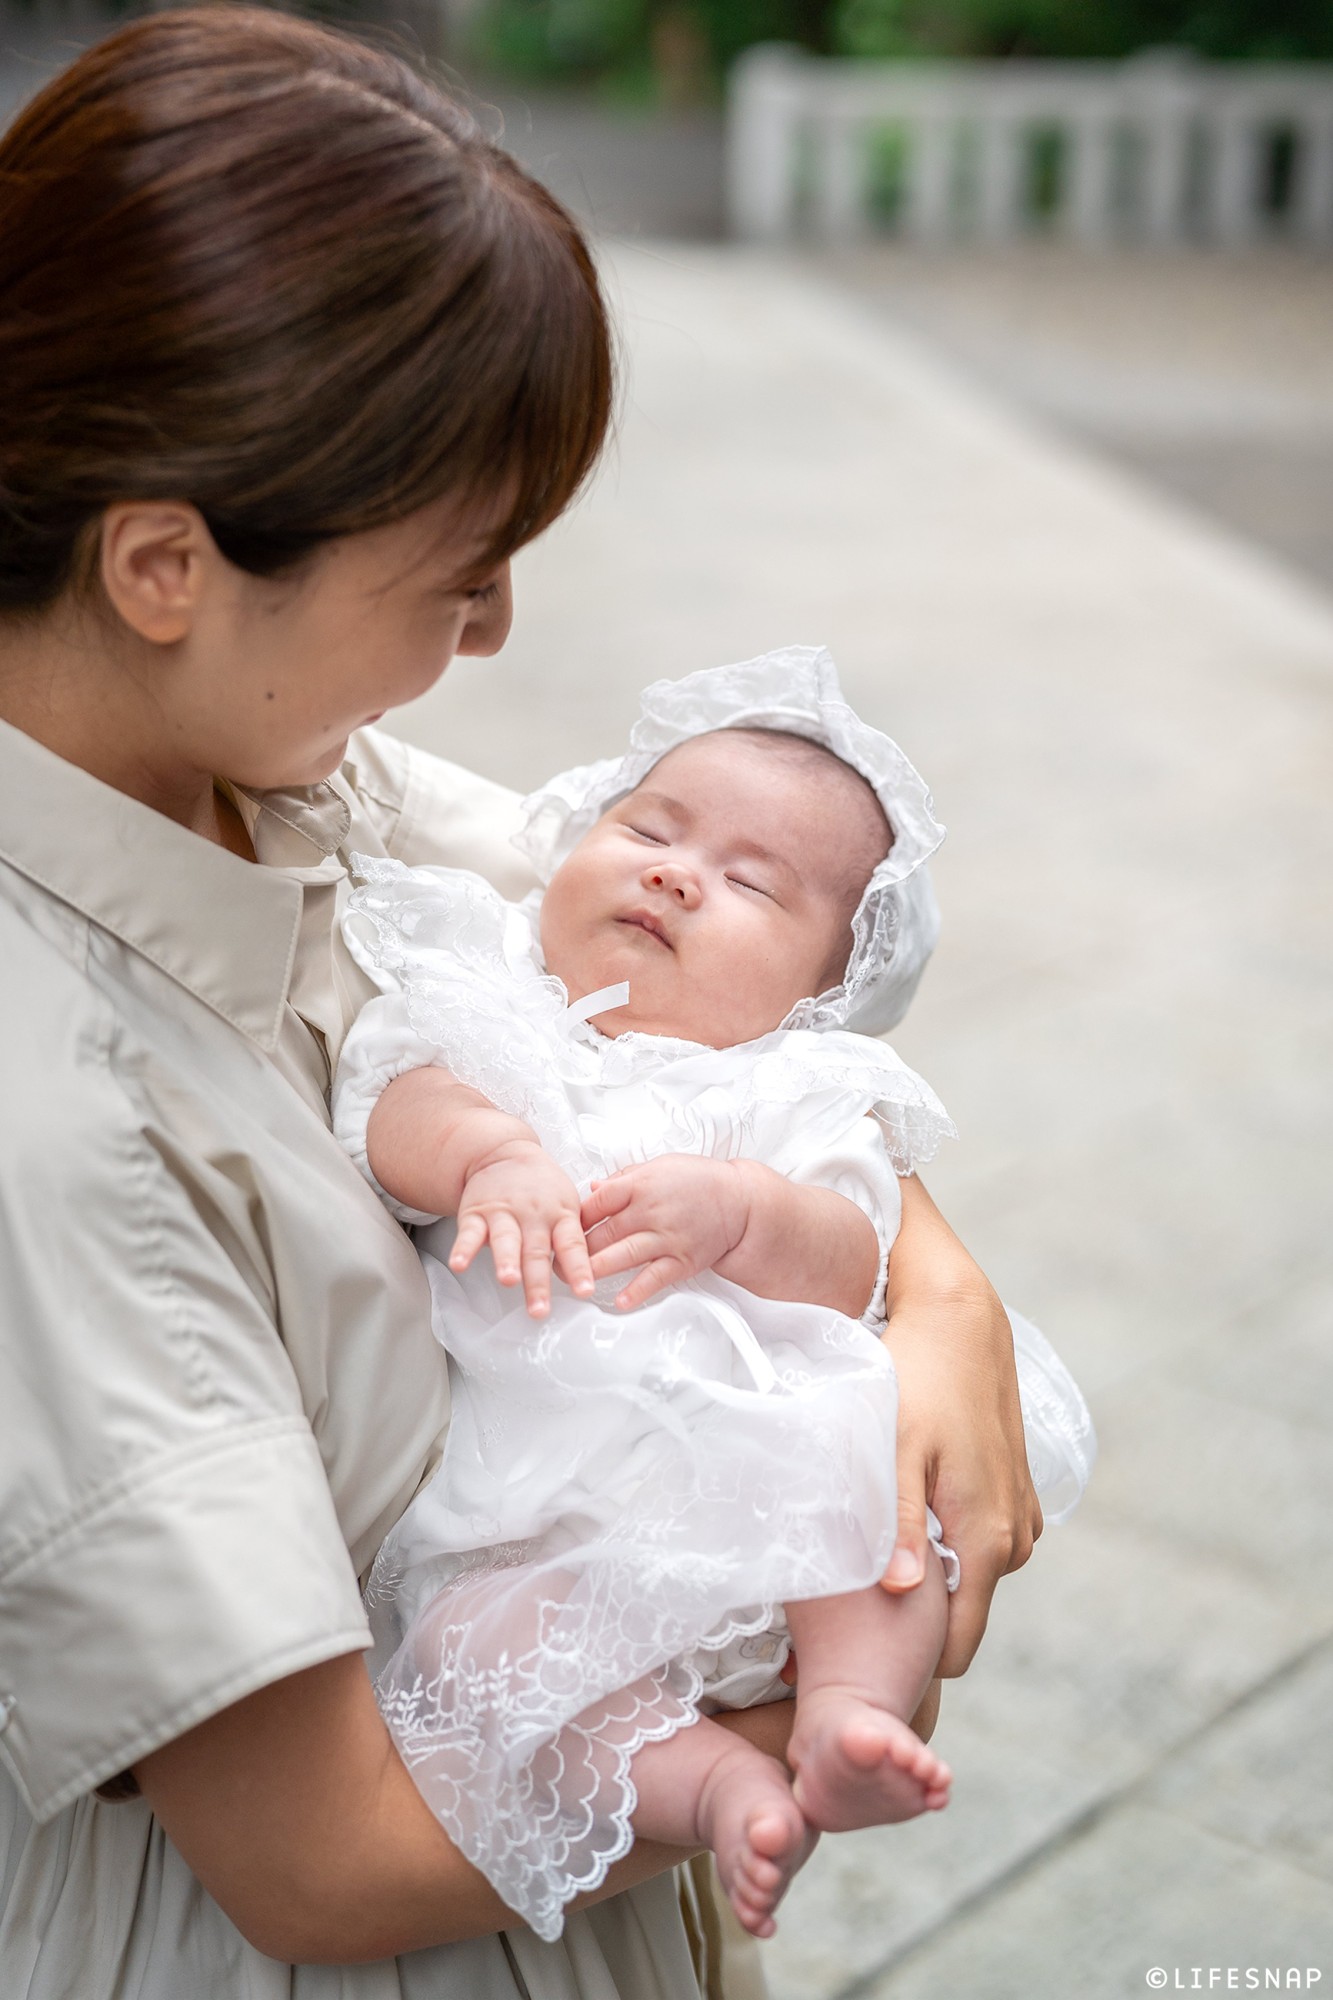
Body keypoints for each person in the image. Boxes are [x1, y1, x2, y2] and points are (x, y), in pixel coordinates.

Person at [0, 11, 1042, 1996]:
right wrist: (761, 1758)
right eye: (458, 571)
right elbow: (320, 1864)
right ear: (161, 561)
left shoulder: (292, 768)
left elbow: (714, 1042)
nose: (493, 634)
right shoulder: (56, 1122)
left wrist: (935, 1293)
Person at [333, 649, 1096, 1946]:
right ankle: (719, 1786)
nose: (677, 871)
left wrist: (746, 1214)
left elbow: (855, 1255)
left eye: (749, 883)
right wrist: (486, 1153)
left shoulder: (782, 1091)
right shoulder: (488, 997)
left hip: (751, 1454)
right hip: (534, 1512)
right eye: (648, 828)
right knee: (468, 1659)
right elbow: (390, 1099)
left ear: (819, 993)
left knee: (877, 1493)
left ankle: (849, 1708)